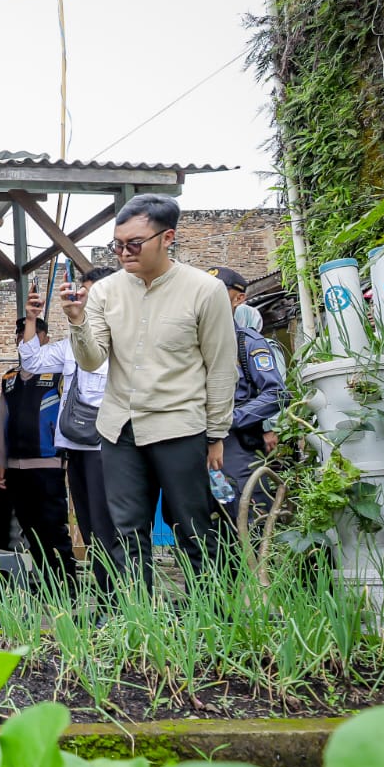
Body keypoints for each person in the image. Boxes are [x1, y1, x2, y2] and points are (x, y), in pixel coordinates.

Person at [63, 194, 237, 585]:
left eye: (134, 244)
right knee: (126, 533)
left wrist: (216, 435)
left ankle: (208, 614)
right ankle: (135, 617)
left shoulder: (204, 290)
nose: (124, 253)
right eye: (117, 244)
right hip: (119, 428)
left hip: (179, 426)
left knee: (192, 529)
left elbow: (221, 367)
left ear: (167, 237)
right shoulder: (105, 291)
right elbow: (91, 360)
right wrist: (77, 321)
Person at [22, 266, 120, 591]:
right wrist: (32, 319)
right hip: (75, 445)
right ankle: (106, 600)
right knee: (90, 527)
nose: (82, 299)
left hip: (107, 447)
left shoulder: (122, 341)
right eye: (81, 293)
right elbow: (31, 362)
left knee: (108, 527)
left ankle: (117, 600)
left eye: (89, 294)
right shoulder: (69, 345)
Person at [0, 316, 75, 586]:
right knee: (28, 528)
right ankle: (45, 583)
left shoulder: (58, 375)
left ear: (46, 339)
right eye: (20, 336)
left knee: (53, 527)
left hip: (47, 463)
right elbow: (2, 422)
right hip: (15, 466)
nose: (24, 340)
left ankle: (66, 585)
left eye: (32, 335)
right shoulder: (10, 379)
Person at [208, 266, 288, 519]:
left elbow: (276, 393)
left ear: (239, 298)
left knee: (249, 517)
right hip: (192, 441)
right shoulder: (188, 342)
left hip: (237, 443)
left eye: (218, 291)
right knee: (201, 522)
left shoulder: (248, 342)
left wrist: (229, 419)